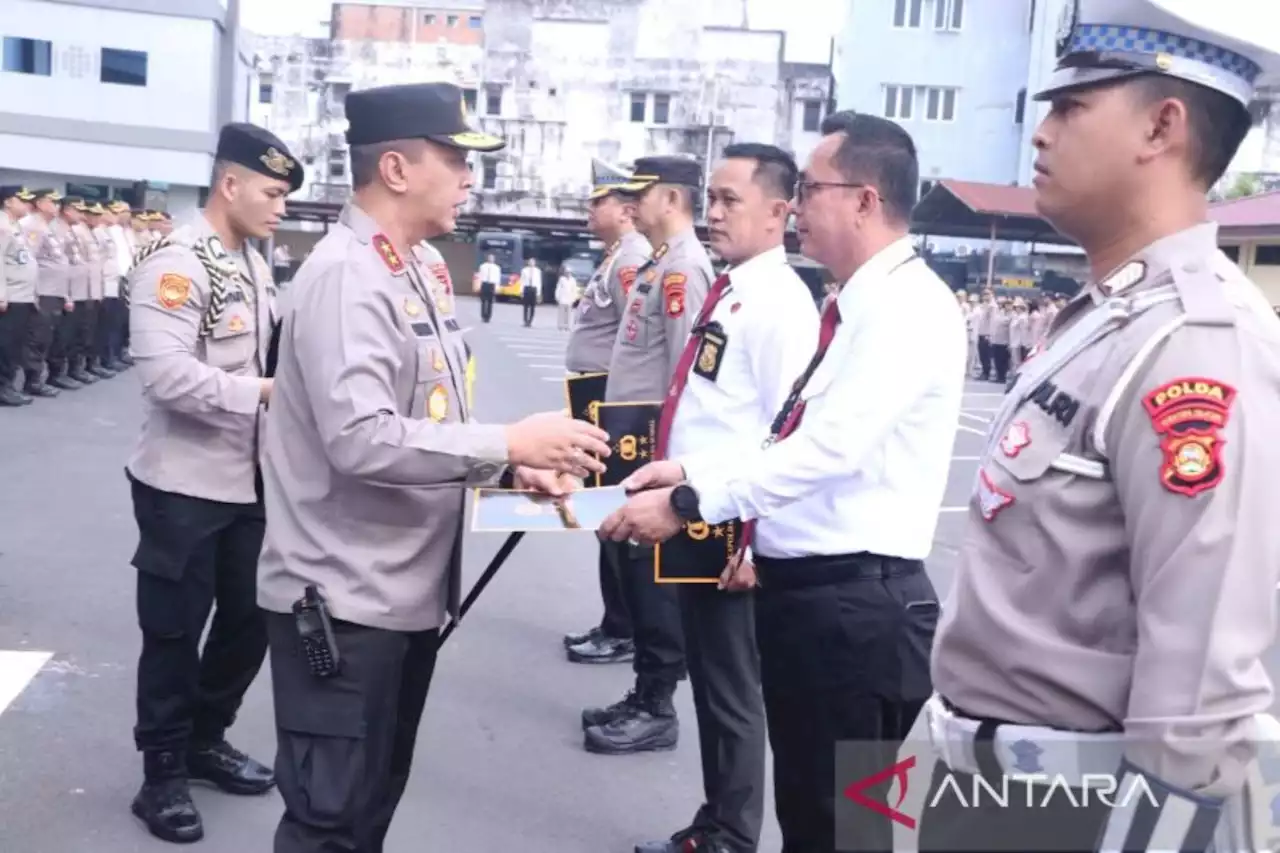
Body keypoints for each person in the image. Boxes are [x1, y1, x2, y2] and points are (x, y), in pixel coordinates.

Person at [922, 2, 1280, 851]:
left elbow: (1197, 699)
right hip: (984, 775)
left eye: (1070, 108)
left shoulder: (1196, 343)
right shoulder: (1107, 314)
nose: (1041, 134)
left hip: (1069, 807)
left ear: (1161, 126)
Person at [256, 81, 613, 853]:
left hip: (396, 596)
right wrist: (510, 444)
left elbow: (430, 425)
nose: (468, 176)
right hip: (346, 602)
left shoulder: (409, 266)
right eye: (453, 159)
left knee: (366, 808)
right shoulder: (349, 275)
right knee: (329, 822)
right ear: (394, 169)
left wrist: (509, 470)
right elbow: (360, 437)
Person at [602, 113, 961, 852]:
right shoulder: (856, 303)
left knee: (842, 831)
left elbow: (828, 449)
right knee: (812, 818)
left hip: (859, 610)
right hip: (822, 603)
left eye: (809, 189)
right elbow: (785, 435)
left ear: (863, 200)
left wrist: (689, 501)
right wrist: (693, 469)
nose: (795, 207)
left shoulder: (903, 309)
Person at [627, 143, 819, 853]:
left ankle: (731, 835)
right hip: (698, 509)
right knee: (709, 681)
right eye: (709, 198)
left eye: (729, 200)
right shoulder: (736, 286)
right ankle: (714, 820)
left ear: (779, 210)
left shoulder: (779, 303)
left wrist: (751, 540)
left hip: (728, 526)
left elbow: (785, 429)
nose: (712, 213)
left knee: (732, 690)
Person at [124, 122, 302, 844]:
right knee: (173, 629)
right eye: (272, 191)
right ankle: (161, 771)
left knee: (250, 620)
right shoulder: (178, 260)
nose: (281, 206)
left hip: (251, 480)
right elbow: (164, 374)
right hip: (184, 485)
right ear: (230, 184)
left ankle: (205, 736)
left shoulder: (252, 262)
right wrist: (263, 394)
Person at [581, 154, 712, 757]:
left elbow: (684, 375)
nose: (632, 203)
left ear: (673, 200)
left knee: (653, 577)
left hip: (653, 448)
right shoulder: (660, 262)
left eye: (645, 193)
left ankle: (658, 704)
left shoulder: (685, 268)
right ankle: (643, 692)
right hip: (631, 440)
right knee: (633, 568)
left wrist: (667, 462)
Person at [561, 158, 651, 666]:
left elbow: (632, 339)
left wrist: (613, 410)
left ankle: (623, 629)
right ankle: (614, 621)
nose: (590, 210)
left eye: (599, 201)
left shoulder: (633, 258)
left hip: (613, 401)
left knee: (612, 516)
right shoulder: (617, 255)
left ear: (626, 209)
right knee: (601, 515)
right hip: (595, 396)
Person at [0, 186, 37, 406]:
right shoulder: (2, 226)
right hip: (10, 296)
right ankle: (3, 387)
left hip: (22, 295)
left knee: (14, 345)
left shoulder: (15, 226)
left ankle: (8, 385)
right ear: (7, 202)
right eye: (21, 200)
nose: (27, 204)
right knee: (5, 345)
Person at [477, 252, 500, 322]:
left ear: (494, 259)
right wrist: (479, 286)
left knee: (490, 302)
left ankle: (488, 317)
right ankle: (483, 315)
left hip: (491, 284)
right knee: (483, 301)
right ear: (487, 258)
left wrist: (497, 288)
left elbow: (497, 278)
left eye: (492, 258)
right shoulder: (482, 266)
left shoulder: (497, 268)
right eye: (490, 258)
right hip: (484, 284)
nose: (491, 259)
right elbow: (480, 277)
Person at [520, 255, 541, 326]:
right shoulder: (524, 270)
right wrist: (521, 291)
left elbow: (539, 282)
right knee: (526, 306)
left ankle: (530, 321)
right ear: (528, 263)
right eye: (530, 262)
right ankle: (525, 320)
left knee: (532, 306)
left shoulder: (538, 271)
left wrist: (538, 293)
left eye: (533, 262)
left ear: (535, 263)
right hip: (527, 288)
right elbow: (522, 281)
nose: (531, 263)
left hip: (533, 288)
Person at [555, 263, 577, 330]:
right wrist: (557, 297)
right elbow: (558, 288)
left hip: (569, 299)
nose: (568, 274)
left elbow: (574, 290)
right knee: (561, 313)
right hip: (562, 298)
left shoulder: (573, 280)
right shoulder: (562, 279)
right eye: (567, 272)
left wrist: (574, 298)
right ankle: (561, 325)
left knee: (568, 314)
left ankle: (567, 326)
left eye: (569, 273)